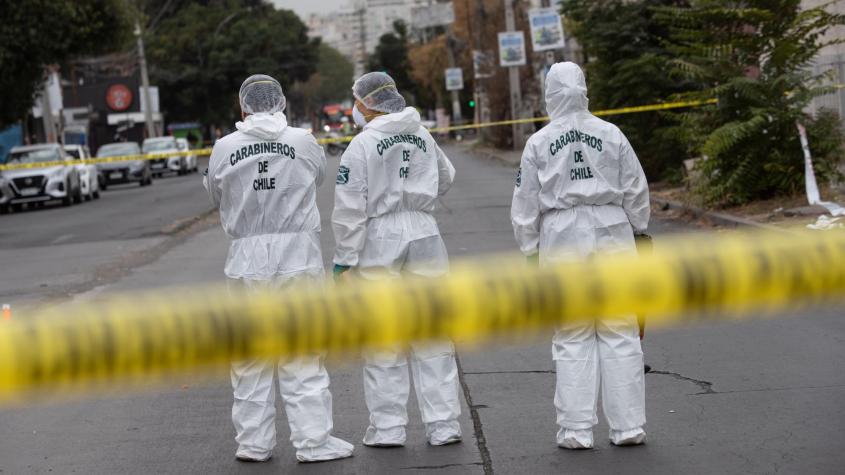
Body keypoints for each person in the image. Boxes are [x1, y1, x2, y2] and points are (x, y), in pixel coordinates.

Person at [203, 74, 354, 463]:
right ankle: (312, 442)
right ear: (282, 103)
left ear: (243, 107)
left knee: (251, 353)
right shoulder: (302, 141)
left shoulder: (224, 147)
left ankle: (253, 443)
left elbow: (215, 194)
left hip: (246, 259)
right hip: (296, 256)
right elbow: (318, 177)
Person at [510, 62, 650, 449]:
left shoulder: (539, 142)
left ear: (550, 93)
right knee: (620, 328)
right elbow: (636, 188)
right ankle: (628, 427)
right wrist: (637, 227)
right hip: (611, 230)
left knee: (572, 332)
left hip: (561, 234)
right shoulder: (611, 133)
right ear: (585, 90)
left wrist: (529, 250)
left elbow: (525, 202)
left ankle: (575, 429)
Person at [332, 72, 462, 447]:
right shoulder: (421, 133)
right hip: (424, 232)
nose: (354, 108)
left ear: (367, 103)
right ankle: (444, 424)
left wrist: (344, 260)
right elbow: (446, 177)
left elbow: (349, 206)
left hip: (380, 236)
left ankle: (388, 428)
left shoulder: (362, 145)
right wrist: (416, 197)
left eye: (356, 101)